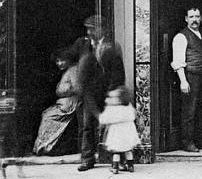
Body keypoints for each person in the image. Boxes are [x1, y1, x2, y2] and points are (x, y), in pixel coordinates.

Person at [75, 15, 126, 172]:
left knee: (114, 126)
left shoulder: (113, 46)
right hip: (90, 92)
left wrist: (114, 92)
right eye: (88, 28)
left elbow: (118, 71)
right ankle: (87, 159)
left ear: (103, 29)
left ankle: (117, 160)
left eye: (93, 28)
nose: (89, 31)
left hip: (108, 93)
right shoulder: (83, 45)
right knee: (87, 126)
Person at [171, 7, 202, 152]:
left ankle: (200, 141)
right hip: (190, 78)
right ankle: (187, 143)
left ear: (201, 18)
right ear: (186, 19)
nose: (194, 20)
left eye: (197, 16)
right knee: (189, 112)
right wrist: (183, 81)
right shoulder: (181, 37)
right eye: (191, 17)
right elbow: (178, 61)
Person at [33, 48, 81, 156]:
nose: (59, 63)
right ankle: (46, 147)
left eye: (62, 60)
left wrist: (62, 91)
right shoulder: (67, 71)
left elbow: (77, 88)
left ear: (69, 59)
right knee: (45, 113)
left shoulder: (73, 70)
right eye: (57, 61)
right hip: (64, 103)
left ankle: (46, 147)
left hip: (70, 104)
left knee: (48, 117)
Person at [99, 86, 139, 174]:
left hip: (116, 133)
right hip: (128, 132)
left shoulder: (112, 109)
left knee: (116, 152)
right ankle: (130, 165)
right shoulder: (128, 107)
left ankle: (115, 166)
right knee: (128, 150)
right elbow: (133, 115)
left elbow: (104, 119)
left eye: (111, 98)